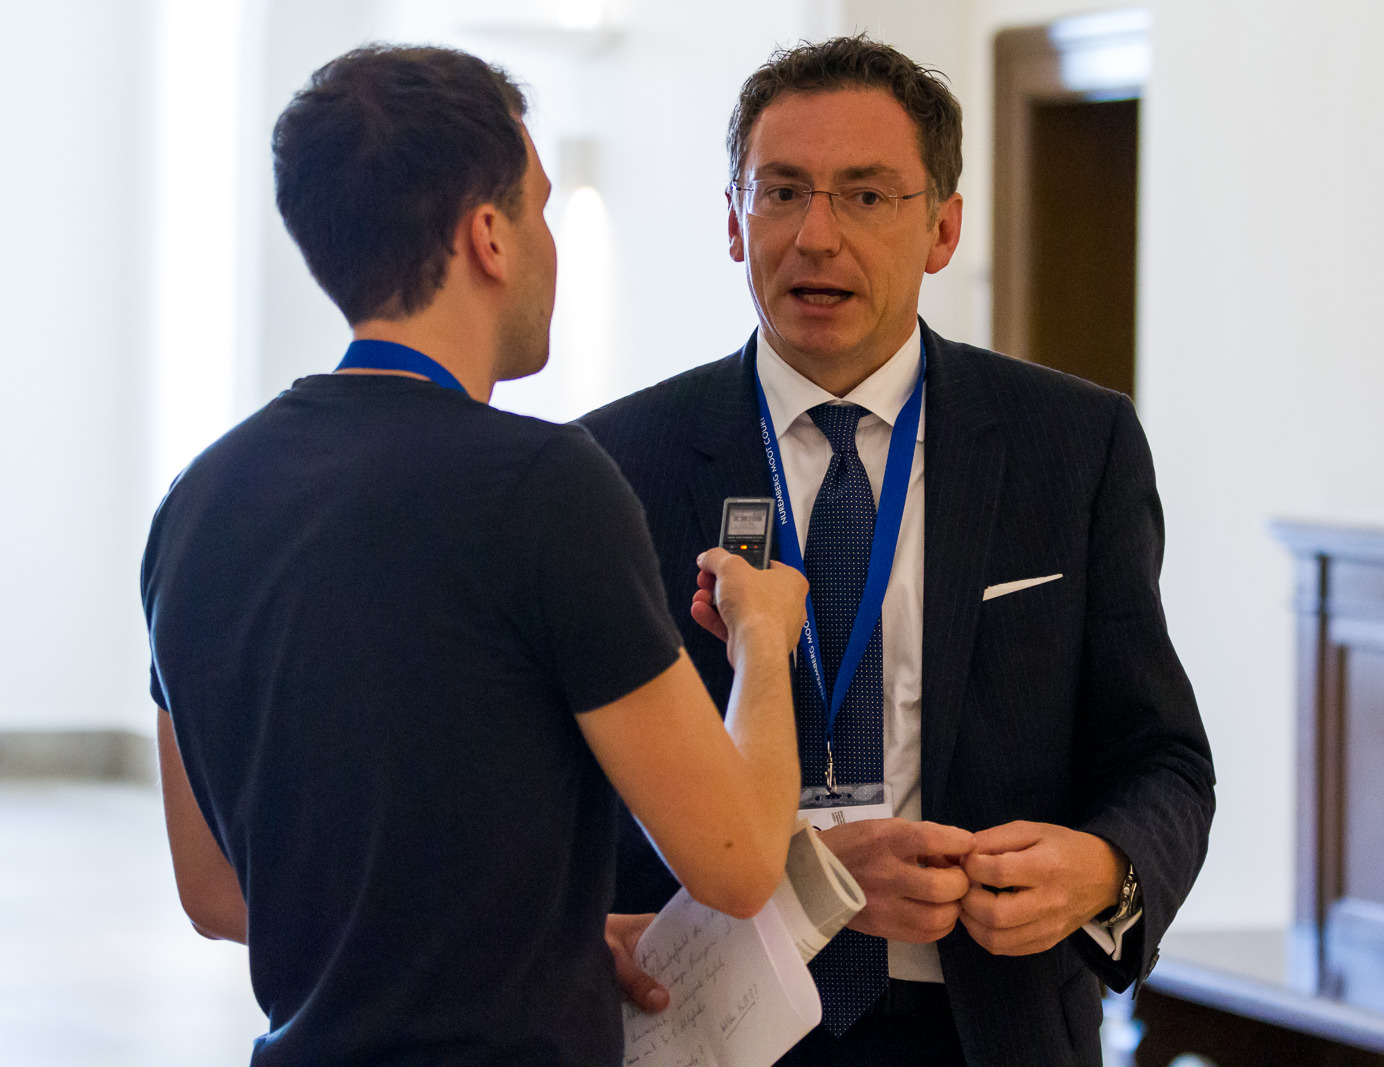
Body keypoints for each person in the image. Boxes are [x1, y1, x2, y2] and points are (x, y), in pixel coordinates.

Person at [141, 45, 808, 1066]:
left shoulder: (195, 501)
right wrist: (764, 636)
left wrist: (538, 942)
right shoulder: (544, 486)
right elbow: (740, 860)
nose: (549, 241)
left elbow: (215, 890)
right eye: (538, 208)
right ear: (488, 236)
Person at [582, 36, 1215, 1067]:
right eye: (782, 192)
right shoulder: (612, 465)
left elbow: (1163, 757)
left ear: (942, 228)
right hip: (707, 1021)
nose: (816, 235)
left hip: (988, 1024)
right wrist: (804, 882)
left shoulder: (1072, 444)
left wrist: (1105, 870)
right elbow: (571, 794)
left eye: (866, 195)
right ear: (734, 221)